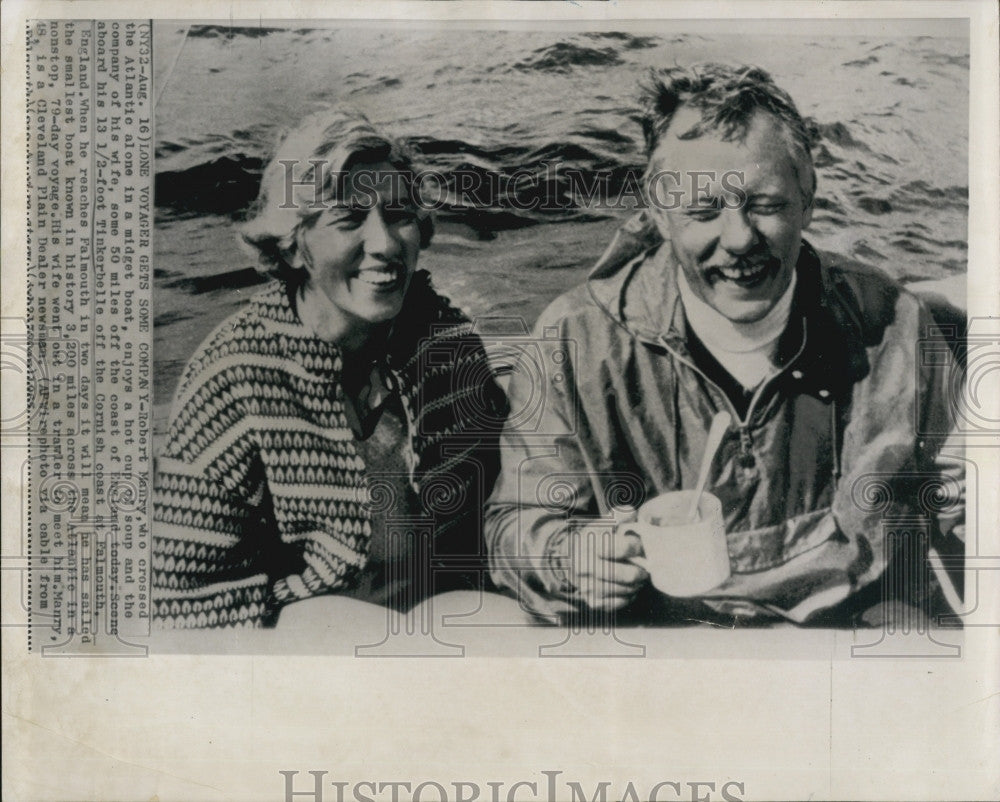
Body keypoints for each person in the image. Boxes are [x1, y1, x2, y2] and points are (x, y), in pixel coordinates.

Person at [483, 63, 964, 627]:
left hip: (846, 645)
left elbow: (961, 497)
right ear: (659, 214)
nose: (738, 239)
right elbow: (515, 525)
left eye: (764, 205)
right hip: (666, 650)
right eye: (704, 210)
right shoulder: (573, 342)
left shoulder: (894, 324)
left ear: (808, 199)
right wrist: (569, 557)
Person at [152, 110, 506, 629]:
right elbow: (184, 605)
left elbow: (499, 522)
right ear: (295, 244)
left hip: (438, 636)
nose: (385, 243)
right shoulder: (235, 379)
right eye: (348, 218)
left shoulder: (448, 348)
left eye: (399, 214)